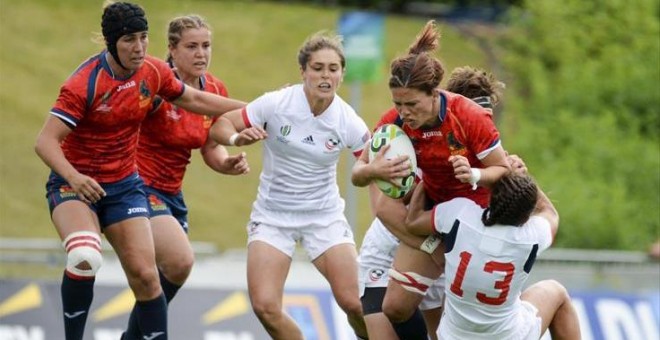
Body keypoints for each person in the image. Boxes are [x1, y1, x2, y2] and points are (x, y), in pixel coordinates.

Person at [33, 3, 244, 339]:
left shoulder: (153, 72)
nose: (139, 47)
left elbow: (194, 100)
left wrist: (260, 108)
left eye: (144, 38)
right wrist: (75, 177)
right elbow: (45, 142)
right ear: (112, 42)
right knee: (85, 255)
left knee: (149, 277)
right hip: (76, 184)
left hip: (125, 187)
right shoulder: (83, 83)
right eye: (130, 39)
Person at [352, 20, 510, 339]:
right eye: (398, 103)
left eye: (411, 104)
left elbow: (503, 171)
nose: (404, 112)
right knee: (395, 306)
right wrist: (373, 171)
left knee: (464, 321)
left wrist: (475, 174)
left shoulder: (467, 116)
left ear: (434, 92)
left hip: (476, 221)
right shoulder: (395, 123)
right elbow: (358, 175)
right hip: (435, 220)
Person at [209, 31, 370, 340]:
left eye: (333, 69)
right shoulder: (276, 103)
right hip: (273, 217)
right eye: (318, 68)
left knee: (356, 304)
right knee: (265, 307)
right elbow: (221, 125)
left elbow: (371, 163)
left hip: (323, 218)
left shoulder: (348, 120)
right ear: (303, 71)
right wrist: (236, 138)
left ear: (342, 73)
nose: (325, 75)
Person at [120, 14, 250, 339]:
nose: (201, 53)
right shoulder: (156, 83)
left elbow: (209, 149)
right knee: (180, 261)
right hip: (136, 186)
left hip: (172, 195)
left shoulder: (216, 89)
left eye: (206, 46)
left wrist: (226, 163)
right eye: (191, 46)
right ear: (172, 50)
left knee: (169, 273)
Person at [404, 168, 582, 340]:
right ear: (527, 216)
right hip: (507, 335)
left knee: (450, 295)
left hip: (452, 336)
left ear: (492, 195)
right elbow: (549, 212)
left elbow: (413, 221)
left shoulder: (461, 214)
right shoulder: (530, 237)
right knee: (556, 291)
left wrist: (427, 176)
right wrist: (522, 175)